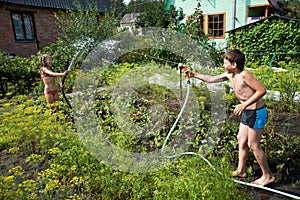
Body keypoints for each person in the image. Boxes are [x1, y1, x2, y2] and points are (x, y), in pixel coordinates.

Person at [186, 49, 275, 186]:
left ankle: (267, 176)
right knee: (241, 139)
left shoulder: (244, 75)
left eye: (225, 63)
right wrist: (194, 74)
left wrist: (244, 104)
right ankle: (242, 170)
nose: (223, 65)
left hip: (256, 112)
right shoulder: (229, 74)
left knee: (253, 144)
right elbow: (210, 79)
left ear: (234, 64)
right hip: (246, 112)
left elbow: (262, 90)